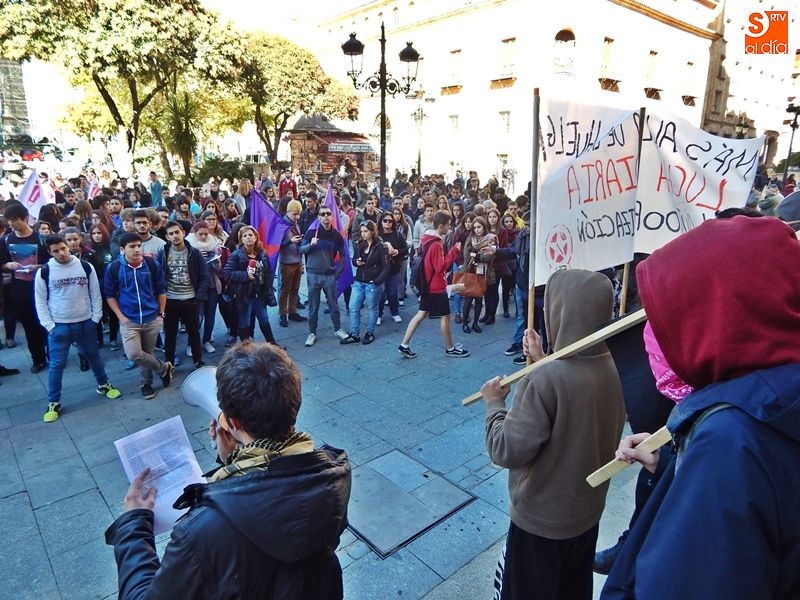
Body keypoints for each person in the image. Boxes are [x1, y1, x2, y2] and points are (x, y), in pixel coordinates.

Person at [602, 216, 800, 599]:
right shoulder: (766, 408)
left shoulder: (731, 439)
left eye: (670, 315)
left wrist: (704, 460)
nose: (658, 334)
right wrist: (673, 464)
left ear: (718, 316)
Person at [105, 341, 352, 599]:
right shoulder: (332, 471)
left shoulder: (201, 531)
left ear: (232, 422)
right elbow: (277, 499)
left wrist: (134, 524)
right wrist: (231, 460)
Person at [481, 269, 625, 600]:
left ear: (558, 310)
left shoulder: (545, 380)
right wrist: (544, 359)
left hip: (541, 522)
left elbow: (505, 450)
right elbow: (577, 393)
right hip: (586, 513)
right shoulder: (613, 365)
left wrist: (493, 406)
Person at [34, 234, 122, 423]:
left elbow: (95, 293)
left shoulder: (85, 266)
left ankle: (103, 384)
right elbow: (40, 301)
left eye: (63, 248)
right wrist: (49, 326)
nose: (61, 253)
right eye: (56, 251)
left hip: (85, 323)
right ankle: (54, 401)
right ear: (50, 252)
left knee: (94, 357)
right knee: (57, 365)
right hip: (59, 326)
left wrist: (95, 318)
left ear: (68, 246)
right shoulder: (44, 272)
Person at [104, 232, 173, 400]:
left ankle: (146, 384)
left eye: (138, 246)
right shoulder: (114, 268)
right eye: (132, 246)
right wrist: (121, 317)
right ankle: (164, 369)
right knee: (134, 354)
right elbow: (110, 295)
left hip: (152, 317)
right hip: (129, 319)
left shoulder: (151, 264)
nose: (136, 250)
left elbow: (161, 290)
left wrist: (161, 314)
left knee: (147, 352)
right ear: (122, 249)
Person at [397, 210, 469, 358]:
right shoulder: (436, 244)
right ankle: (450, 348)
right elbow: (440, 267)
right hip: (435, 286)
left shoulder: (427, 238)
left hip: (427, 284)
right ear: (441, 226)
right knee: (445, 316)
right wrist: (454, 251)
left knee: (421, 314)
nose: (450, 227)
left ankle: (404, 344)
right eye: (448, 225)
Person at [0, 202, 49, 372]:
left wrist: (41, 267)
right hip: (20, 290)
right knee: (29, 327)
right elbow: (2, 264)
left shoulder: (41, 239)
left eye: (15, 220)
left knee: (46, 324)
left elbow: (52, 263)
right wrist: (7, 265)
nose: (12, 224)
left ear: (25, 218)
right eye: (9, 221)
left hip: (42, 288)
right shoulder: (6, 240)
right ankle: (38, 359)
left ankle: (53, 354)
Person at [156, 221, 208, 370]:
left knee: (194, 332)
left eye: (177, 232)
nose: (175, 236)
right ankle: (169, 362)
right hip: (170, 300)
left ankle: (198, 360)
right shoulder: (163, 253)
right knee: (170, 333)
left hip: (190, 299)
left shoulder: (194, 252)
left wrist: (198, 297)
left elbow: (204, 276)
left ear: (183, 233)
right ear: (167, 237)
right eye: (171, 234)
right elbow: (159, 276)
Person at [300, 205, 348, 347]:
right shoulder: (311, 233)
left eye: (328, 214)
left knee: (333, 304)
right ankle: (312, 332)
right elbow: (300, 249)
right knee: (313, 306)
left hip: (329, 275)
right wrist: (310, 245)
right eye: (323, 214)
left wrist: (337, 273)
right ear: (319, 217)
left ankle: (337, 328)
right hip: (313, 274)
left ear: (332, 216)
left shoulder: (336, 235)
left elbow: (344, 255)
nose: (326, 216)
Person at [223, 225, 279, 346]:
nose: (248, 238)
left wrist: (267, 286)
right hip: (244, 295)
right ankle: (245, 348)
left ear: (255, 238)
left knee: (264, 319)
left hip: (259, 294)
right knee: (245, 322)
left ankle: (272, 343)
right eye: (245, 236)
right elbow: (227, 272)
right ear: (241, 240)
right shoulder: (236, 255)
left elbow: (268, 271)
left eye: (250, 235)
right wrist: (245, 276)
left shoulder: (262, 253)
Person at [340, 219, 389, 345]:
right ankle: (354, 334)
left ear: (372, 232)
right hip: (359, 281)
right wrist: (357, 262)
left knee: (372, 308)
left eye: (366, 231)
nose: (363, 234)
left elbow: (386, 266)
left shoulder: (380, 246)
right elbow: (354, 259)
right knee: (353, 307)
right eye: (361, 231)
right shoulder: (359, 244)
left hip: (372, 282)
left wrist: (377, 281)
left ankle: (370, 332)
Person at [461, 216, 497, 334]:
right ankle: (465, 322)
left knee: (479, 298)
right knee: (468, 298)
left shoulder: (490, 238)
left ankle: (475, 323)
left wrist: (479, 257)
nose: (477, 230)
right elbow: (466, 254)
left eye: (479, 227)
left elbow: (490, 255)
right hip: (471, 271)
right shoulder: (470, 238)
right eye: (475, 227)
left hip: (484, 272)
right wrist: (476, 257)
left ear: (484, 227)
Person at [278, 199, 307, 328]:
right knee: (285, 290)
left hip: (297, 260)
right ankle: (283, 314)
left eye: (299, 214)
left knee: (295, 288)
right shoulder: (282, 225)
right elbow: (277, 245)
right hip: (286, 262)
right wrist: (290, 242)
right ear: (288, 211)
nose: (297, 217)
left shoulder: (296, 224)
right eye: (295, 214)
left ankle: (293, 311)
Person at [376, 211, 407, 325]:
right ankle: (378, 315)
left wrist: (397, 251)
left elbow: (405, 249)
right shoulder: (377, 235)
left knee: (393, 292)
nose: (388, 223)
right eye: (385, 221)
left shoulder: (398, 234)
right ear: (381, 221)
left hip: (394, 268)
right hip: (380, 269)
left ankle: (395, 312)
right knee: (380, 294)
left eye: (390, 221)